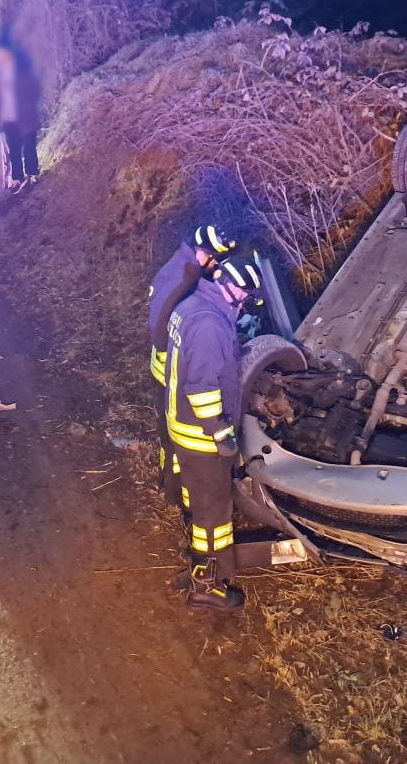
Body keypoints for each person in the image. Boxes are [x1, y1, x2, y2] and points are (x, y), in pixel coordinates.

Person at [164, 256, 263, 612]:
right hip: (201, 436)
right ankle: (206, 585)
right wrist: (222, 434)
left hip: (181, 427)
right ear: (228, 285)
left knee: (198, 503)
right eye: (244, 294)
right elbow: (201, 387)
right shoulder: (210, 324)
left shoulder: (190, 304)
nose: (245, 301)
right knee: (213, 514)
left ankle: (195, 559)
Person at [147, 225, 237, 511]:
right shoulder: (184, 278)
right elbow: (163, 326)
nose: (215, 269)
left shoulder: (178, 266)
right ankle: (181, 498)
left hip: (167, 366)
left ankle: (171, 490)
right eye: (214, 261)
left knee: (169, 437)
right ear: (205, 255)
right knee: (176, 440)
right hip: (170, 370)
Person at [0, 30, 42, 194]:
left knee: (29, 147)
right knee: (14, 149)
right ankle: (18, 177)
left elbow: (35, 88)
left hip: (26, 116)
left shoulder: (23, 69)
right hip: (8, 119)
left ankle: (33, 174)